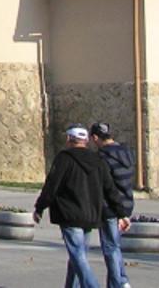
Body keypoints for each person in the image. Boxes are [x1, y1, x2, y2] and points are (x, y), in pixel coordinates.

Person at [34, 125, 131, 288]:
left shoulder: (64, 158)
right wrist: (121, 213)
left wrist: (39, 207)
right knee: (78, 255)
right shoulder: (98, 160)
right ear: (86, 140)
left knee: (78, 255)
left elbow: (52, 185)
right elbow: (110, 189)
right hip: (90, 214)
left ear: (68, 139)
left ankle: (92, 285)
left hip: (69, 213)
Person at [91, 122, 136, 288]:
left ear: (95, 138)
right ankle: (120, 280)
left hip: (110, 207)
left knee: (110, 247)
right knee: (115, 246)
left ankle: (119, 283)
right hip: (126, 204)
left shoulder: (102, 157)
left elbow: (106, 186)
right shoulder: (127, 153)